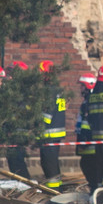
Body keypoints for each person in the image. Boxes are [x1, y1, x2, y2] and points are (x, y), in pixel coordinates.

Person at [36, 60, 66, 189]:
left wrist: (35, 126)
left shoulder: (48, 91)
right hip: (57, 132)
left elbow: (46, 115)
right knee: (52, 162)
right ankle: (57, 187)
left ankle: (53, 190)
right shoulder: (58, 89)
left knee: (49, 163)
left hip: (49, 133)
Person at [75, 72, 99, 191]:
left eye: (82, 86)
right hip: (86, 141)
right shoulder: (86, 101)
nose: (81, 88)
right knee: (86, 165)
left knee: (89, 166)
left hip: (89, 143)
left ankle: (95, 189)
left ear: (88, 86)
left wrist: (85, 139)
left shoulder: (89, 102)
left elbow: (87, 123)